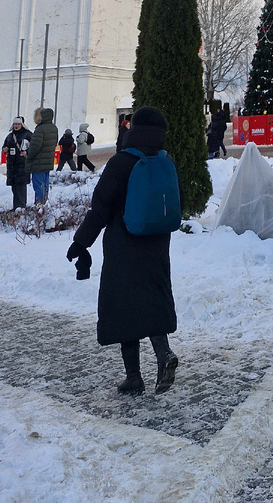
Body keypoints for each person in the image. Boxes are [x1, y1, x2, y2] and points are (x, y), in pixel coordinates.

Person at [68, 107, 180, 395]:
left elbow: (100, 209)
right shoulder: (166, 161)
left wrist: (81, 242)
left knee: (124, 308)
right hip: (157, 244)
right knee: (152, 300)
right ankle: (163, 353)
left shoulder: (121, 163)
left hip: (123, 245)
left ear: (134, 130)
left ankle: (133, 377)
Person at [25, 108, 59, 204]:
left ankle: (39, 204)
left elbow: (35, 146)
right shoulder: (54, 127)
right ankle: (44, 203)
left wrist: (29, 156)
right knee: (45, 185)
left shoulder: (40, 129)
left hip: (38, 162)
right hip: (48, 160)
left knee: (38, 185)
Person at [2, 117, 32, 209]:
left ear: (22, 125)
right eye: (15, 124)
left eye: (18, 124)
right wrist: (4, 149)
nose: (16, 126)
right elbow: (4, 145)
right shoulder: (10, 136)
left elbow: (33, 147)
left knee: (21, 186)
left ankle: (21, 207)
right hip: (12, 165)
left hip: (22, 163)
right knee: (14, 187)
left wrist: (27, 152)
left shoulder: (28, 134)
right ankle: (16, 206)